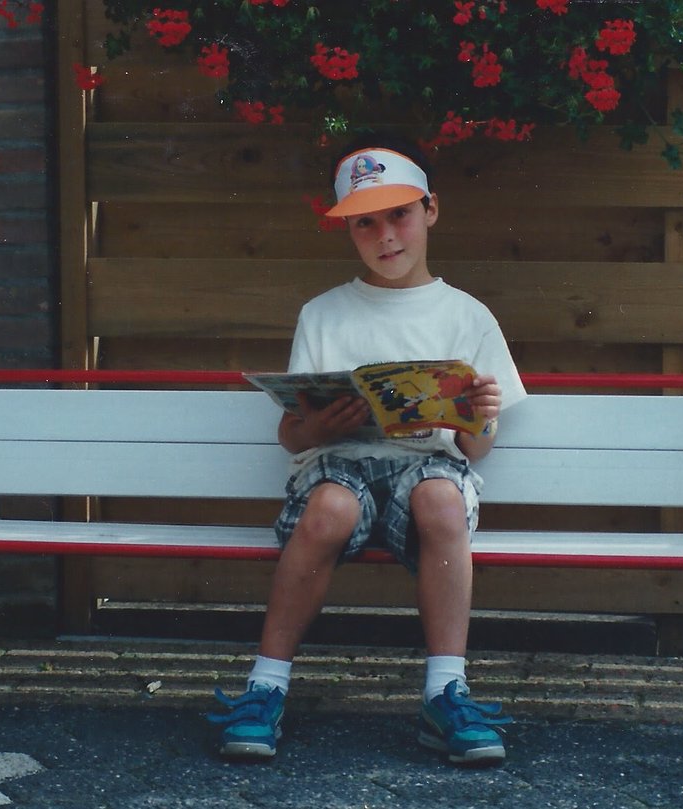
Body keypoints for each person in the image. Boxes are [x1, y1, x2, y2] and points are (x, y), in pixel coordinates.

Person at [207, 132, 527, 765]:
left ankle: (447, 694)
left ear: (430, 209)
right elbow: (292, 434)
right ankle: (264, 688)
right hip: (339, 464)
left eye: (399, 215)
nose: (385, 236)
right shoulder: (324, 314)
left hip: (428, 468)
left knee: (440, 499)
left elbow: (475, 449)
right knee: (329, 510)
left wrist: (482, 417)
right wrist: (320, 427)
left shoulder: (468, 316)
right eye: (364, 223)